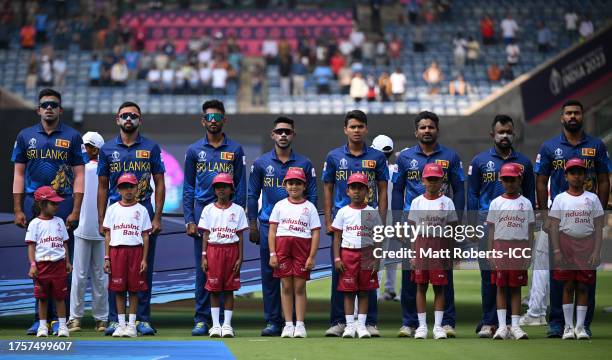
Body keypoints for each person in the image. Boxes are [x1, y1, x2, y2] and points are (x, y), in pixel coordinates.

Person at [534, 100, 611, 338]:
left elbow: (604, 179)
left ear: (583, 116)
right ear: (562, 118)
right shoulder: (549, 146)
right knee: (559, 275)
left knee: (587, 276)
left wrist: (601, 213)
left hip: (586, 220)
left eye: (577, 112)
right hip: (560, 219)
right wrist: (544, 214)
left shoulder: (596, 146)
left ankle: (583, 324)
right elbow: (540, 180)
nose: (573, 116)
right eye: (568, 113)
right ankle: (557, 323)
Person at [12, 88, 84, 335]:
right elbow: (19, 173)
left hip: (62, 201)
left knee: (61, 262)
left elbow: (79, 175)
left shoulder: (73, 136)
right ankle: (40, 320)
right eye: (45, 105)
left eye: (54, 104)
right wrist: (18, 208)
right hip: (35, 202)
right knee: (39, 262)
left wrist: (75, 209)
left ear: (60, 109)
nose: (49, 108)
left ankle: (59, 320)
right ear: (38, 110)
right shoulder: (25, 136)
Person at [392, 111, 465, 338]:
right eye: (422, 127)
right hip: (413, 224)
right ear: (416, 132)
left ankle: (446, 322)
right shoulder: (404, 158)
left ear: (437, 130)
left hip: (441, 225)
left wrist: (458, 221)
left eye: (430, 127)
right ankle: (410, 322)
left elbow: (460, 189)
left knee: (444, 276)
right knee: (410, 275)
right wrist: (397, 222)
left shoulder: (451, 156)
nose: (427, 131)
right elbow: (397, 189)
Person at [98, 102, 165, 336]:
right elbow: (102, 187)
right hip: (116, 215)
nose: (129, 119)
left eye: (133, 116)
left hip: (143, 212)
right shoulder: (107, 149)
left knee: (142, 269)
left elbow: (160, 182)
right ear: (117, 119)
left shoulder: (151, 147)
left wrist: (157, 216)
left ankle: (141, 320)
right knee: (114, 270)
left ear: (140, 120)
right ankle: (115, 320)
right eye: (124, 116)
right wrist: (101, 219)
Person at [467, 115, 535, 338]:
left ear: (513, 134)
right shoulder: (479, 160)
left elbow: (530, 195)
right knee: (489, 275)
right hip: (487, 224)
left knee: (513, 277)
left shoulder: (524, 162)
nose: (504, 135)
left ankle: (509, 324)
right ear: (492, 135)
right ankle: (489, 322)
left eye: (508, 132)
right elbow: (473, 193)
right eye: (500, 132)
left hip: (515, 229)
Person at [248, 117, 317, 336]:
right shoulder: (260, 163)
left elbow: (312, 194)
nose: (283, 135)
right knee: (270, 276)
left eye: (287, 131)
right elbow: (252, 194)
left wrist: (307, 221)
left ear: (293, 134)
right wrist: (252, 224)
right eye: (280, 131)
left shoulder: (304, 163)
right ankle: (273, 322)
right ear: (273, 134)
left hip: (297, 230)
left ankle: (297, 322)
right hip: (270, 226)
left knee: (297, 278)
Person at [322, 110, 388, 337]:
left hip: (369, 221)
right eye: (353, 127)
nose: (357, 130)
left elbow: (382, 188)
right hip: (344, 221)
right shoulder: (333, 156)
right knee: (341, 275)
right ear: (345, 129)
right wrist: (329, 219)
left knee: (370, 275)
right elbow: (328, 187)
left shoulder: (377, 157)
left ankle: (369, 323)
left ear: (366, 129)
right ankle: (340, 322)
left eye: (360, 126)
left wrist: (381, 221)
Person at [184, 99, 247, 336]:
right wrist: (190, 218)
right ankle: (202, 319)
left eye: (217, 118)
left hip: (230, 215)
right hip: (203, 214)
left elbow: (240, 185)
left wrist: (237, 213)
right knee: (205, 269)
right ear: (203, 121)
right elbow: (188, 186)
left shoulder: (235, 150)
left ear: (224, 120)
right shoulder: (194, 150)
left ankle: (224, 322)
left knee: (229, 268)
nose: (213, 122)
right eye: (209, 118)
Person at [549, 159, 604, 340]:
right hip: (565, 245)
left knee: (583, 286)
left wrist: (596, 251)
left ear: (585, 176)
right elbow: (554, 227)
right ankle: (568, 327)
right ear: (566, 176)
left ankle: (581, 327)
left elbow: (598, 227)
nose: (576, 176)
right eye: (572, 173)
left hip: (586, 245)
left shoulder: (593, 198)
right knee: (568, 285)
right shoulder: (560, 199)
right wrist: (556, 251)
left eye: (580, 172)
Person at [268, 168, 321, 338]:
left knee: (299, 286)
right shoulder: (279, 205)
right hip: (282, 249)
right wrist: (272, 254)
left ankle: (300, 325)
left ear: (304, 186)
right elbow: (272, 231)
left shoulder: (310, 207)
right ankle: (288, 324)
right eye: (290, 183)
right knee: (286, 286)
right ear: (285, 186)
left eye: (298, 183)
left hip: (302, 249)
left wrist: (312, 256)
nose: (294, 187)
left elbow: (315, 232)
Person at [408, 163, 458, 339]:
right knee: (420, 287)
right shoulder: (417, 202)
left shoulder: (447, 202)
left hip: (440, 246)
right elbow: (413, 231)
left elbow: (452, 231)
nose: (432, 183)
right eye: (429, 179)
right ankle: (422, 326)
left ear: (442, 181)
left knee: (439, 288)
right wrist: (413, 254)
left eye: (436, 179)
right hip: (422, 246)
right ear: (423, 181)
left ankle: (437, 326)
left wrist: (451, 254)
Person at [486, 163, 535, 340]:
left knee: (515, 288)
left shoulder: (526, 203)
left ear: (520, 179)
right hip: (500, 247)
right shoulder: (496, 203)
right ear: (501, 181)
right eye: (505, 180)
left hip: (519, 248)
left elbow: (530, 230)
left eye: (512, 179)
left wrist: (528, 251)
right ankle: (501, 327)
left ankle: (515, 326)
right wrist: (490, 251)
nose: (509, 183)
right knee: (500, 287)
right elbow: (491, 230)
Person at [331, 173, 382, 339]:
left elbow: (378, 236)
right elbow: (337, 237)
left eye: (361, 188)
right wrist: (337, 258)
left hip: (367, 253)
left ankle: (361, 325)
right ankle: (349, 326)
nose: (357, 191)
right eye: (353, 188)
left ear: (367, 191)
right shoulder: (343, 212)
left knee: (364, 291)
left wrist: (377, 258)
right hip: (348, 253)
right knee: (348, 291)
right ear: (347, 191)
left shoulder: (372, 212)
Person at [198, 173, 247, 338]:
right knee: (214, 290)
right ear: (214, 189)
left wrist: (240, 257)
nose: (221, 190)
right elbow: (205, 235)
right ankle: (216, 325)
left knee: (229, 289)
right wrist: (204, 256)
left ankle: (227, 325)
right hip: (213, 251)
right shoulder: (208, 209)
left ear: (231, 189)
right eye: (218, 187)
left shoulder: (238, 210)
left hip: (231, 250)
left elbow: (240, 236)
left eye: (225, 187)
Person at [102, 173, 151, 338]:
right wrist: (107, 258)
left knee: (134, 290)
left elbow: (145, 235)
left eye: (131, 186)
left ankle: (131, 325)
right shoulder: (112, 209)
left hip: (136, 252)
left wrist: (144, 259)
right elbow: (108, 235)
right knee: (119, 290)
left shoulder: (142, 210)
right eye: (124, 187)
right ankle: (121, 325)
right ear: (119, 189)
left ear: (137, 188)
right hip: (117, 252)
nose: (128, 190)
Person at [68, 132, 108, 333]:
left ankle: (101, 318)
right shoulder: (80, 169)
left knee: (100, 276)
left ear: (96, 149)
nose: (83, 149)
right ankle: (75, 318)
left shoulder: (102, 168)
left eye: (87, 146)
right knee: (81, 275)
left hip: (101, 230)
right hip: (83, 229)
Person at [26, 186, 72, 338]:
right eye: (53, 203)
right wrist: (33, 265)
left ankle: (63, 326)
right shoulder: (34, 224)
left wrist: (67, 262)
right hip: (42, 266)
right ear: (41, 204)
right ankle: (42, 326)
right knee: (42, 298)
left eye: (57, 203)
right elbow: (31, 246)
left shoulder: (59, 221)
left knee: (60, 297)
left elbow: (64, 243)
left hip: (59, 265)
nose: (57, 206)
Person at [371, 135, 399, 301]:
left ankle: (386, 291)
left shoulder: (389, 171)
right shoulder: (394, 170)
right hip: (389, 218)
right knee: (386, 259)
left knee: (383, 259)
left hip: (384, 217)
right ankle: (386, 290)